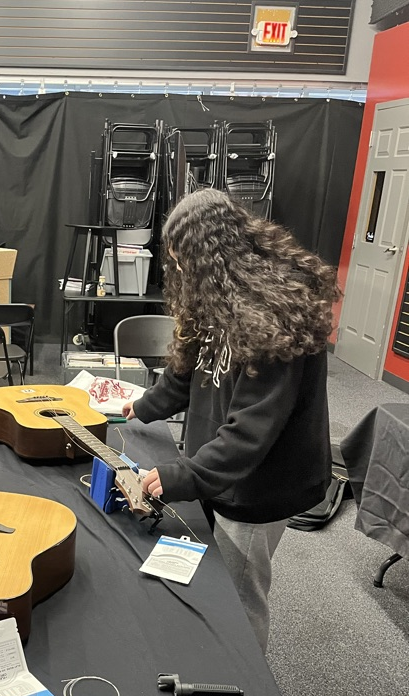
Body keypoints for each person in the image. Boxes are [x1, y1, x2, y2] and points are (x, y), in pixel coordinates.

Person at [123, 188, 340, 651]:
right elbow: (187, 373)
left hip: (261, 487)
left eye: (184, 261)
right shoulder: (215, 294)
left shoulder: (274, 318)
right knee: (213, 578)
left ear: (211, 255)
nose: (179, 271)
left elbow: (251, 432)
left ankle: (248, 691)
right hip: (223, 473)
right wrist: (143, 405)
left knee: (241, 598)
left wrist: (186, 476)